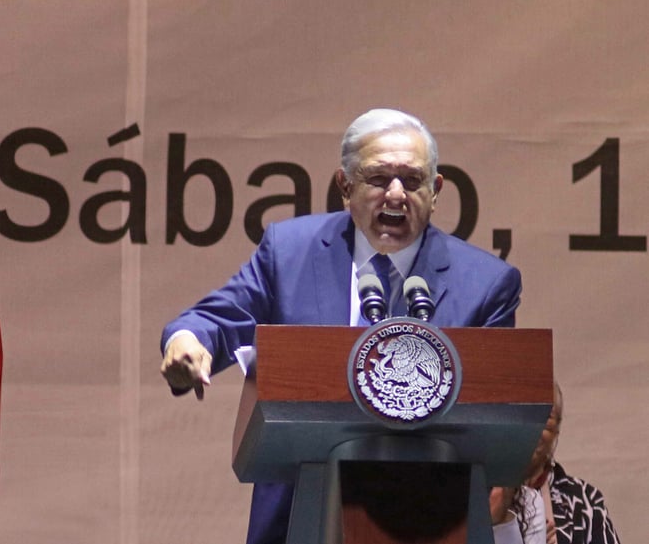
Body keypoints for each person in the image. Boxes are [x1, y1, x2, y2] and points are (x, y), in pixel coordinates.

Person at [160, 108, 523, 544]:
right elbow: (214, 320)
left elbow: (498, 410)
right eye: (378, 178)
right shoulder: (290, 252)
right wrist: (188, 341)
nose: (395, 195)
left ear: (436, 189)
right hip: (299, 518)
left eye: (412, 181)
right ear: (345, 186)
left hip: (434, 521)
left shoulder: (486, 284)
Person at [522, 383, 621, 544]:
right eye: (522, 414)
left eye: (545, 417)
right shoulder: (478, 496)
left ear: (556, 431)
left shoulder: (585, 502)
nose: (531, 427)